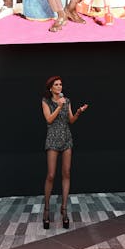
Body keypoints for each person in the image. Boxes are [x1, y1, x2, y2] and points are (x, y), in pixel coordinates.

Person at [41, 76, 88, 230]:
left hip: (66, 138)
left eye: (61, 84)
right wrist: (59, 107)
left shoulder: (66, 100)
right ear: (50, 88)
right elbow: (49, 120)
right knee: (51, 175)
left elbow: (71, 120)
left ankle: (64, 209)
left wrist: (79, 112)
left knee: (66, 173)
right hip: (53, 138)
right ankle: (47, 210)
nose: (60, 87)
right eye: (56, 85)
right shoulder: (46, 101)